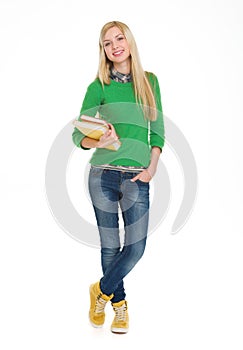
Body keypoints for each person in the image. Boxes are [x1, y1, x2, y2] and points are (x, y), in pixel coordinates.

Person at [72, 20, 165, 334]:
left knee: (136, 248)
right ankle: (120, 306)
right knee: (110, 247)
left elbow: (158, 132)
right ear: (104, 51)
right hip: (103, 176)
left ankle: (100, 290)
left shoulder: (149, 81)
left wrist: (152, 167)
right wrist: (101, 140)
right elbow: (79, 135)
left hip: (137, 177)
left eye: (119, 38)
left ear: (129, 41)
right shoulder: (98, 86)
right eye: (107, 43)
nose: (115, 46)